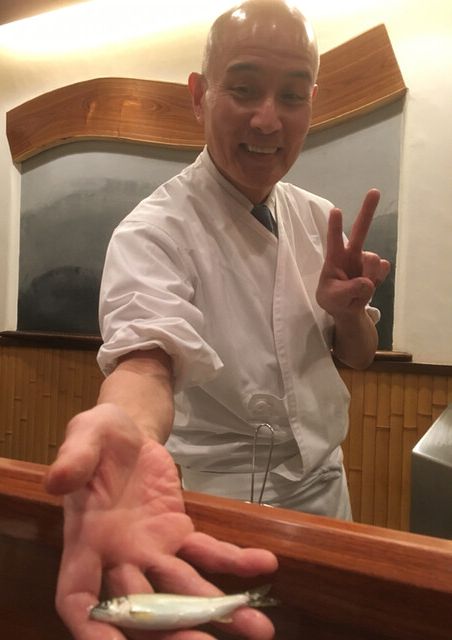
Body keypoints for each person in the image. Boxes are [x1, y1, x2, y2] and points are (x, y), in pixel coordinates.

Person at [45, 1, 390, 639]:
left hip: (326, 492)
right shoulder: (155, 231)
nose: (268, 119)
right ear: (199, 96)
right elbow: (147, 359)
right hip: (216, 502)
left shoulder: (320, 219)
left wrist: (348, 316)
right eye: (244, 88)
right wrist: (126, 427)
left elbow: (359, 355)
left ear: (312, 103)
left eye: (292, 95)